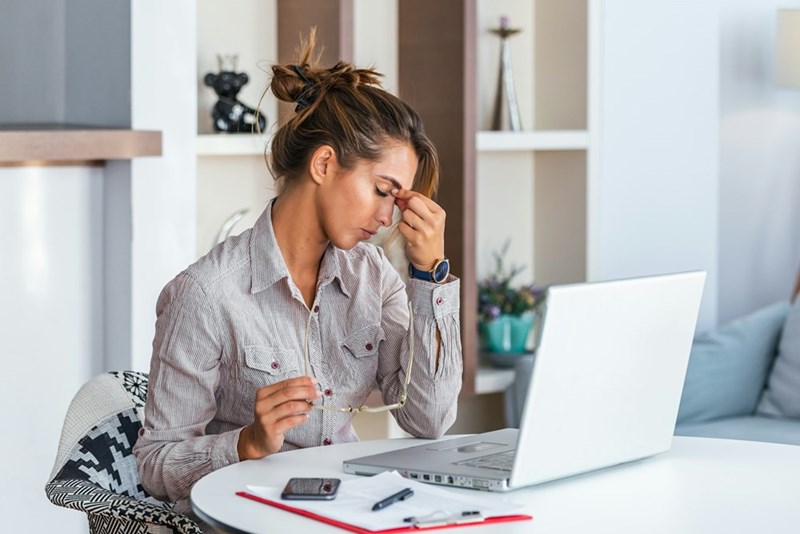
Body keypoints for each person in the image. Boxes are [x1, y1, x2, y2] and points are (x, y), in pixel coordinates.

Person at [133, 32, 463, 515]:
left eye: (398, 199)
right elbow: (155, 463)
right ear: (325, 163)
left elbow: (428, 419)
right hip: (246, 521)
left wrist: (430, 275)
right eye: (381, 190)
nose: (389, 217)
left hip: (346, 511)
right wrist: (245, 443)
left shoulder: (373, 276)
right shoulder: (206, 293)